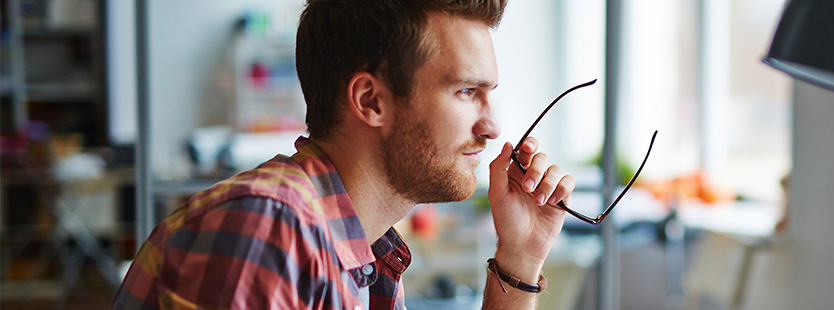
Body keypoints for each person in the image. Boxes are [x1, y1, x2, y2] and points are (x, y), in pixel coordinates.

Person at [112, 0, 575, 309]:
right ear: (371, 101)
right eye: (466, 91)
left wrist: (520, 258)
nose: (492, 126)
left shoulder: (368, 252)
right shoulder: (268, 230)